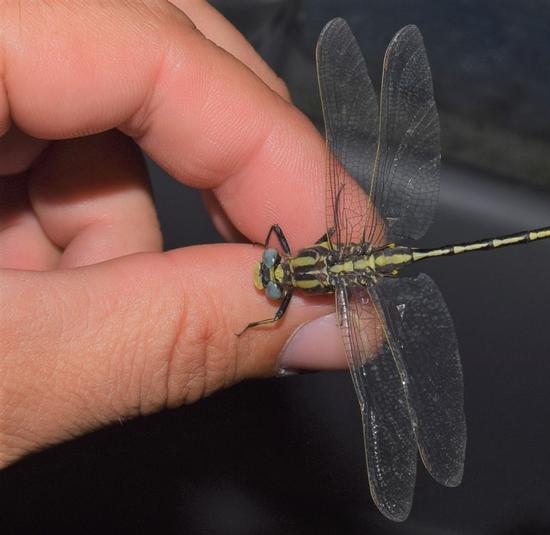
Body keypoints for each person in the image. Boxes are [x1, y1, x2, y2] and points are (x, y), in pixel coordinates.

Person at [0, 0, 346, 468]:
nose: (271, 268)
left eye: (273, 270)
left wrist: (246, 331)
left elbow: (274, 257)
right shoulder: (295, 255)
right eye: (274, 269)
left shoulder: (289, 266)